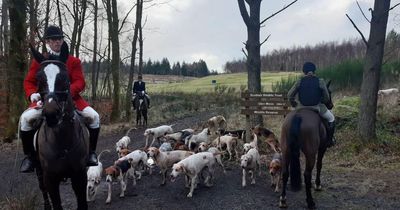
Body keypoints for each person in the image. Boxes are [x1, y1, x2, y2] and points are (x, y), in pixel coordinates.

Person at [19, 25, 100, 173]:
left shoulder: (73, 61)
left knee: (94, 117)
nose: (58, 42)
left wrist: (67, 92)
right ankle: (30, 157)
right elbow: (29, 82)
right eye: (54, 40)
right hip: (45, 101)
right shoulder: (39, 60)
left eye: (60, 39)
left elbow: (80, 82)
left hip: (71, 100)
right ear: (47, 42)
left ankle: (91, 154)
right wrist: (32, 94)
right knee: (25, 120)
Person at [288, 61, 335, 147]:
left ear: (304, 71)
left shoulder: (299, 81)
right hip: (317, 107)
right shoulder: (320, 81)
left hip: (300, 108)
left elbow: (290, 95)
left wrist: (294, 104)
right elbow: (327, 98)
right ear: (314, 71)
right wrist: (322, 101)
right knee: (331, 118)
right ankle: (330, 140)